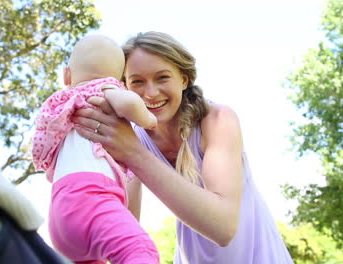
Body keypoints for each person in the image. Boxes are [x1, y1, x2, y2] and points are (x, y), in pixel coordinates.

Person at [73, 31, 294, 264]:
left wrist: (132, 152)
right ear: (124, 87)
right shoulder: (132, 137)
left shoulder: (218, 120)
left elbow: (223, 227)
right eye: (137, 81)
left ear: (184, 80)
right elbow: (125, 225)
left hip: (258, 257)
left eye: (162, 77)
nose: (150, 93)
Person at [31, 35, 159, 264]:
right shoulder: (104, 90)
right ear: (118, 79)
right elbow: (130, 104)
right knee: (139, 251)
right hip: (94, 198)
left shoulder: (60, 107)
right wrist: (148, 120)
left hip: (60, 217)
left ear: (66, 75)